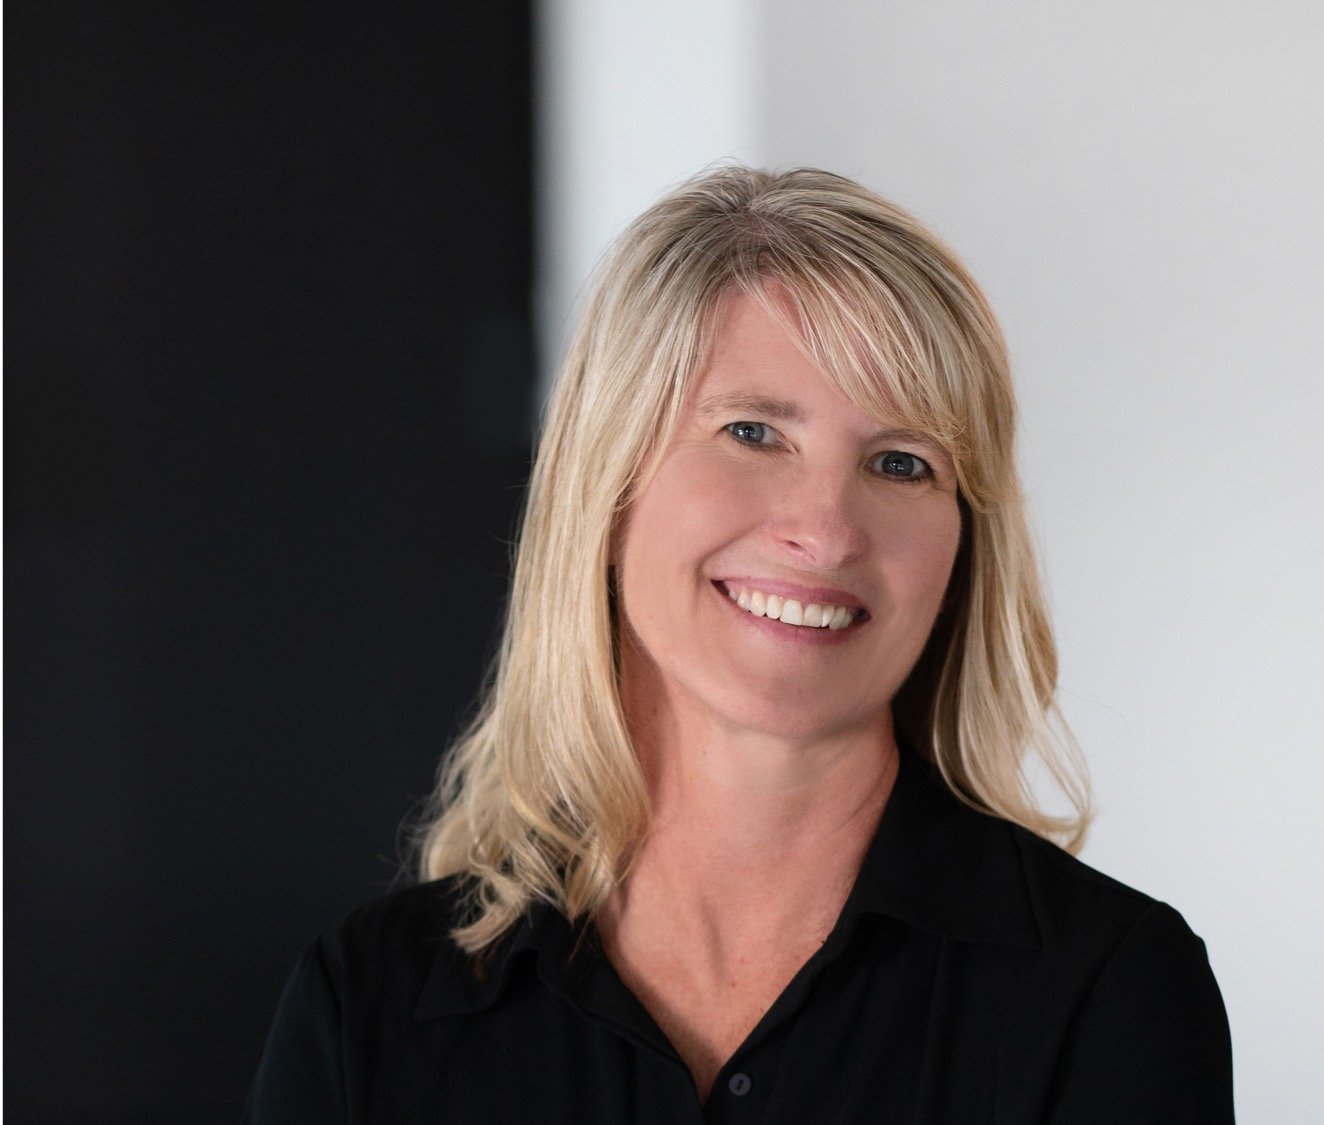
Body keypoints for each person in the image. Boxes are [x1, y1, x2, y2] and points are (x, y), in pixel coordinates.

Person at [243, 166, 1234, 1122]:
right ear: (610, 482)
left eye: (900, 462)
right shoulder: (366, 1009)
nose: (828, 528)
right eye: (753, 433)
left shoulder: (1107, 993)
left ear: (963, 545)